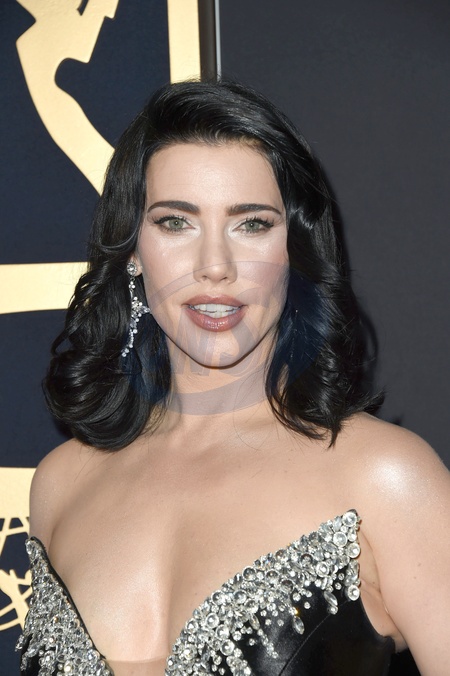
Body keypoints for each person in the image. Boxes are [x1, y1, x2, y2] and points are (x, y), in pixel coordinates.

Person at [17, 81, 450, 676]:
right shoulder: (60, 484)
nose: (214, 267)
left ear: (293, 249)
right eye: (176, 222)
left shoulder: (385, 478)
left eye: (251, 224)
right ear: (134, 250)